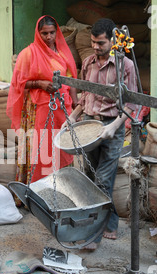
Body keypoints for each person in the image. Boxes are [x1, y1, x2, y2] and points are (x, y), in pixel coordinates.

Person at [62, 18, 139, 250]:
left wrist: (115, 126)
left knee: (103, 180)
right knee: (89, 176)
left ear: (113, 40)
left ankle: (92, 236)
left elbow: (132, 104)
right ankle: (111, 221)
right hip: (89, 125)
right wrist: (74, 117)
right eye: (94, 42)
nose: (96, 47)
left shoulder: (125, 66)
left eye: (101, 43)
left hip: (111, 127)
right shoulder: (87, 63)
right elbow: (86, 96)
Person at [7, 15, 78, 187]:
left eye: (52, 32)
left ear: (57, 32)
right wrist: (40, 83)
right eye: (44, 33)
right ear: (38, 34)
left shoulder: (63, 52)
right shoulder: (28, 53)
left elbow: (71, 78)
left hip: (63, 107)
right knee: (42, 149)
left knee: (62, 147)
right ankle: (38, 188)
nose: (49, 37)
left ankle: (63, 187)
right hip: (39, 109)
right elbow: (19, 83)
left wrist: (76, 104)